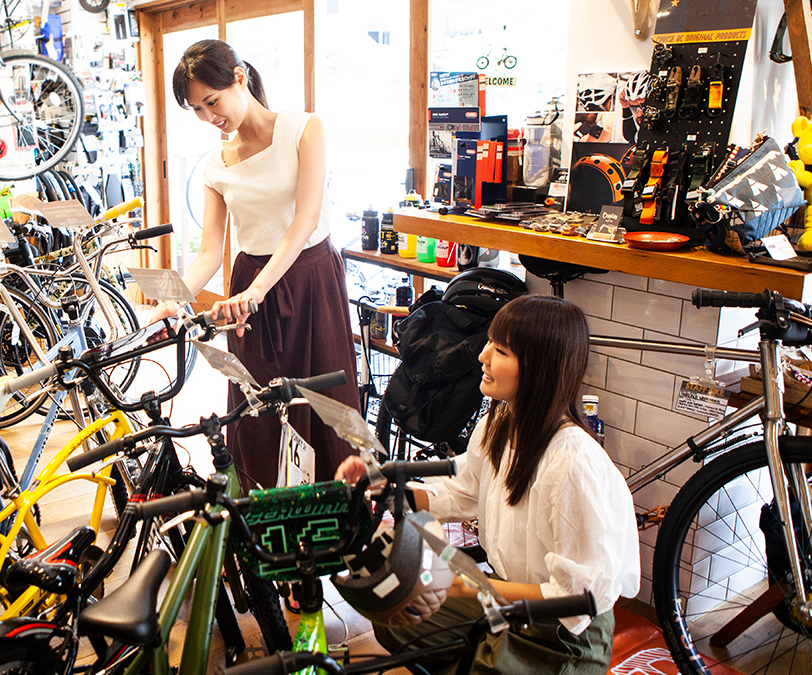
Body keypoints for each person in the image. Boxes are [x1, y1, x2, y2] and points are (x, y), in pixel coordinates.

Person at [337, 294, 639, 675]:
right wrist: (380, 490)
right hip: (507, 598)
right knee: (394, 611)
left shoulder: (572, 463)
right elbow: (463, 490)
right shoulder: (498, 425)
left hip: (562, 636)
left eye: (500, 350)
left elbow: (583, 595)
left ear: (538, 368)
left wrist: (468, 586)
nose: (483, 356)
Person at [150, 39, 360, 489]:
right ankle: (262, 525)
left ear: (239, 78)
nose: (210, 118)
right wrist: (172, 299)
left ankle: (342, 520)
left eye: (212, 101)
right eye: (198, 110)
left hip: (310, 278)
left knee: (327, 404)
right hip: (251, 286)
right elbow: (209, 251)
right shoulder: (216, 165)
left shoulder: (304, 129)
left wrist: (255, 293)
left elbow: (303, 222)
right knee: (259, 411)